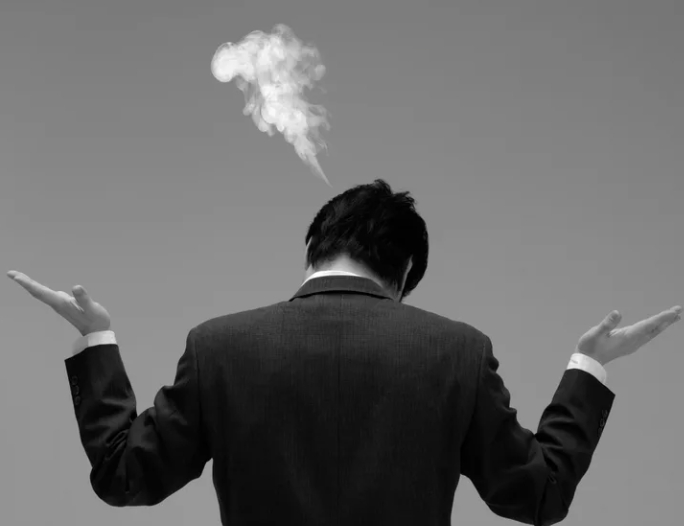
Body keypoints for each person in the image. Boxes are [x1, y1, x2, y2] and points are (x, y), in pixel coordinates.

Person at [7, 179, 681, 526]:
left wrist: (96, 340)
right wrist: (589, 366)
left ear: (314, 246)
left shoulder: (220, 346)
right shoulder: (458, 351)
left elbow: (125, 475)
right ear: (403, 273)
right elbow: (539, 494)